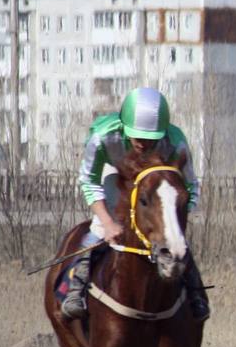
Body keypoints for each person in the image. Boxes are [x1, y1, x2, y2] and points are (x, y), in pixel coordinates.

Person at [61, 86, 210, 322]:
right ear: (124, 126)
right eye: (138, 136)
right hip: (116, 172)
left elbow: (190, 186)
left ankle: (195, 294)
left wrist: (174, 218)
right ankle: (75, 290)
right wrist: (109, 223)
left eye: (151, 139)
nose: (143, 143)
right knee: (100, 226)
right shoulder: (103, 137)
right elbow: (89, 181)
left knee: (174, 239)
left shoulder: (175, 142)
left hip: (155, 180)